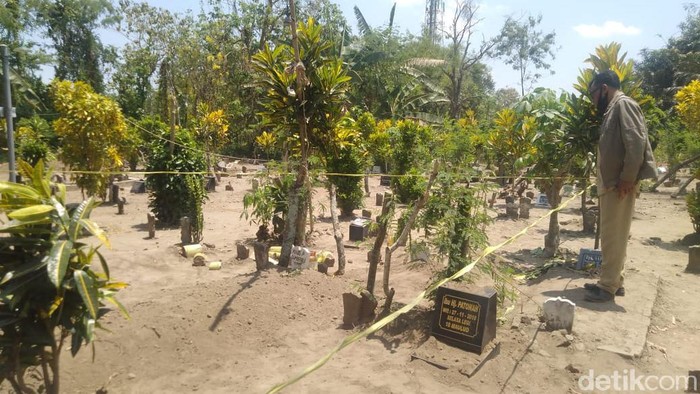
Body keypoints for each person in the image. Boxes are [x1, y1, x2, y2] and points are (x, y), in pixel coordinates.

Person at [584, 70, 657, 303]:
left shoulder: (623, 104)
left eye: (593, 94)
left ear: (604, 88)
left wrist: (627, 178)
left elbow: (635, 142)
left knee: (612, 237)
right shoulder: (613, 107)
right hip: (613, 183)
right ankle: (615, 281)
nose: (593, 100)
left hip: (619, 185)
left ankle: (607, 287)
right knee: (613, 235)